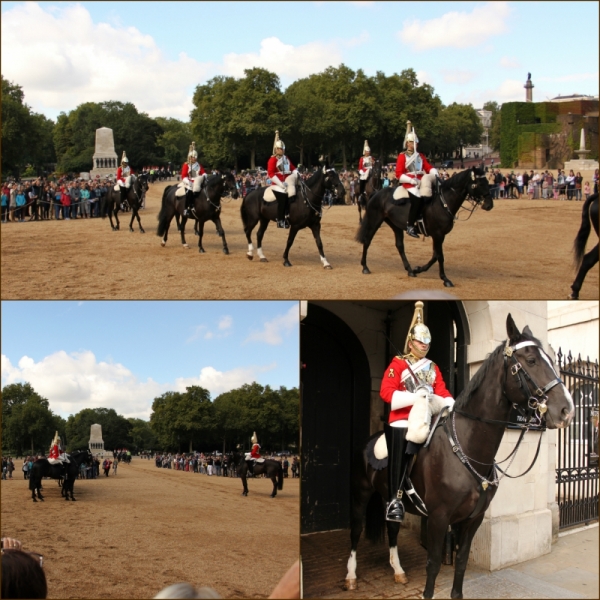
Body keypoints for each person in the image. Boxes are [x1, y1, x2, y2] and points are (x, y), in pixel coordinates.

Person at [379, 301, 454, 522]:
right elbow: (386, 392)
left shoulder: (432, 367)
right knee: (402, 441)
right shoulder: (398, 364)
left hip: (429, 415)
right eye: (421, 341)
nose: (425, 345)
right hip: (403, 417)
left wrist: (450, 404)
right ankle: (395, 499)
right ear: (411, 343)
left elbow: (441, 389)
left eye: (427, 342)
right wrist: (416, 398)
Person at [395, 121, 439, 238]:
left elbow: (427, 167)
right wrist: (410, 181)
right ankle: (410, 225)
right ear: (408, 143)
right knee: (417, 199)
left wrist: (434, 172)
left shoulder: (420, 156)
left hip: (420, 180)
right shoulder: (402, 156)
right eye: (413, 142)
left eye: (416, 142)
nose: (416, 144)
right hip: (409, 183)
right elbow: (398, 174)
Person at [267, 130, 298, 228]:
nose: (282, 150)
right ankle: (280, 220)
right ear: (276, 149)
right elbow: (270, 174)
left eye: (283, 148)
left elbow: (292, 168)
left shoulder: (286, 158)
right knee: (282, 198)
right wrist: (280, 184)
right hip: (277, 184)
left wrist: (297, 173)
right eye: (280, 149)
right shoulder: (272, 160)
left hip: (288, 181)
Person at [181, 142, 207, 217]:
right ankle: (187, 208)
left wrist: (204, 176)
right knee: (189, 191)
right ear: (190, 157)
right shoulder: (186, 165)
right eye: (193, 157)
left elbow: (203, 172)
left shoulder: (198, 165)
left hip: (198, 181)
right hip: (189, 182)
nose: (195, 158)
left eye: (196, 157)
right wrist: (189, 182)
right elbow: (184, 176)